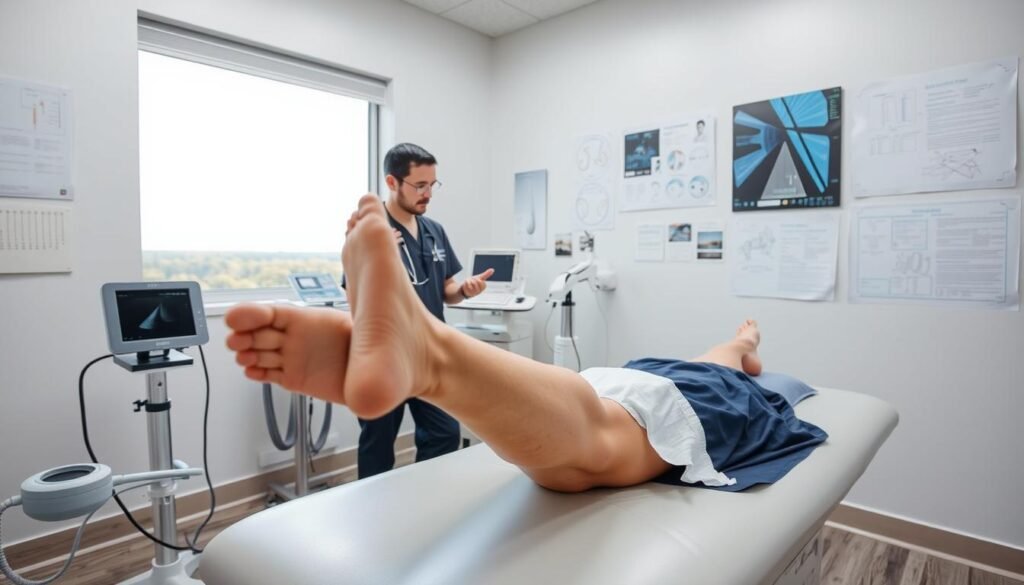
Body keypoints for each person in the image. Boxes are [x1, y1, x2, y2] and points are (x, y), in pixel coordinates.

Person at [227, 195, 827, 493]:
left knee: (575, 446)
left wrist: (742, 346)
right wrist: (746, 343)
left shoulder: (712, 368)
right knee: (591, 446)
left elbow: (726, 355)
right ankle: (428, 354)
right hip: (664, 392)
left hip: (625, 381)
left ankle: (429, 351)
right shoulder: (723, 371)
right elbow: (731, 354)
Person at [345, 143, 494, 478]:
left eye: (432, 184)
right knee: (377, 446)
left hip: (428, 353)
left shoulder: (434, 231)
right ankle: (375, 505)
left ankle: (422, 496)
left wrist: (465, 290)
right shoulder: (370, 231)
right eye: (420, 185)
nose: (428, 194)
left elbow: (446, 291)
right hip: (384, 355)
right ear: (392, 182)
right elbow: (353, 296)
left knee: (445, 434)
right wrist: (374, 256)